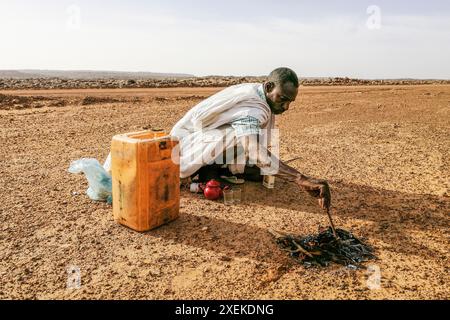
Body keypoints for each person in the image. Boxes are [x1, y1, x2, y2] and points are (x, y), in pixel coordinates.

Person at [170, 67, 331, 210]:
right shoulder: (252, 109)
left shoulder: (257, 94)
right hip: (183, 146)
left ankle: (224, 169)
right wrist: (301, 179)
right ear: (268, 87)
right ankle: (208, 172)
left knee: (259, 162)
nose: (286, 107)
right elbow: (253, 150)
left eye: (290, 102)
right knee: (241, 137)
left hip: (200, 137)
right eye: (282, 99)